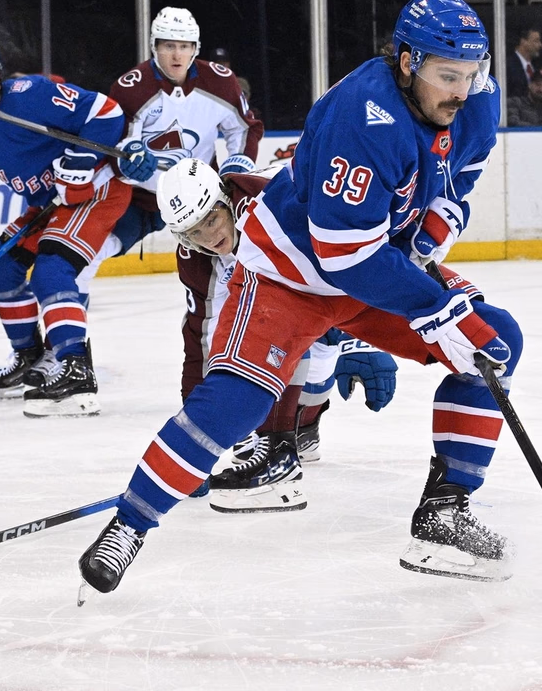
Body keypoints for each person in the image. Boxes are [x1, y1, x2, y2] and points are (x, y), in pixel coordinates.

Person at [79, 0, 523, 597]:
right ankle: (128, 525)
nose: (464, 90)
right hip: (290, 272)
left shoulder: (476, 98)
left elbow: (461, 171)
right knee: (233, 402)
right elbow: (344, 258)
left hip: (376, 261)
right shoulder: (360, 116)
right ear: (407, 61)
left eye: (473, 75)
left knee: (494, 345)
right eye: (449, 76)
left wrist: (441, 221)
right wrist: (434, 307)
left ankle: (442, 517)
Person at [159, 158, 401, 509]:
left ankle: (280, 450)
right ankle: (299, 430)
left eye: (211, 220)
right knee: (270, 325)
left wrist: (358, 339)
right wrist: (196, 442)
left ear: (225, 199)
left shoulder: (273, 201)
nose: (208, 237)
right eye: (194, 232)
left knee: (286, 320)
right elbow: (201, 339)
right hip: (301, 292)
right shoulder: (196, 257)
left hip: (341, 274)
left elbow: (351, 254)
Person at [0, 38, 157, 417]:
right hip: (50, 204)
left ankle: (76, 369)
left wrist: (81, 156)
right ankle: (31, 355)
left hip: (95, 191)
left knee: (52, 269)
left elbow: (106, 113)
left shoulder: (30, 94)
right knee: (2, 266)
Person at [102, 7, 264, 264]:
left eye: (185, 46)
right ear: (154, 47)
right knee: (98, 248)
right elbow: (118, 147)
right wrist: (129, 164)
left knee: (228, 257)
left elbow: (244, 128)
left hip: (205, 197)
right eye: (168, 46)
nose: (177, 55)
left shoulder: (220, 82)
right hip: (143, 199)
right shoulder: (131, 88)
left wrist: (238, 165)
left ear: (195, 48)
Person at [505, 26, 542, 101]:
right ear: (523, 41)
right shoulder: (507, 65)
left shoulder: (537, 66)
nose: (540, 45)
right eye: (536, 41)